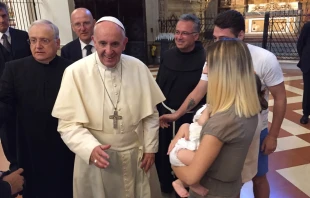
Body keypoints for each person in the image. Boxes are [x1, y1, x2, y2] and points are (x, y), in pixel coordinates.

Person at [160, 10, 287, 198]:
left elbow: (280, 98)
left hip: (251, 129)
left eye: (224, 39)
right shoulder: (217, 58)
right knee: (226, 176)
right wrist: (178, 115)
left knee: (256, 176)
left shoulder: (265, 59)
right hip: (229, 122)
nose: (218, 43)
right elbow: (200, 89)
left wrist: (273, 135)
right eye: (215, 38)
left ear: (240, 36)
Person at [52, 16, 165, 198]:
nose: (108, 51)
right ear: (94, 41)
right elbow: (67, 125)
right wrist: (89, 148)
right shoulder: (75, 72)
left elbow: (150, 114)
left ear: (125, 43)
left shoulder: (138, 68)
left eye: (115, 44)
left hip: (137, 158)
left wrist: (150, 148)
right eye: (102, 43)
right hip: (97, 159)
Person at [170, 40, 261, 198]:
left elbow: (192, 176)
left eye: (209, 64)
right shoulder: (248, 109)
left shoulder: (222, 121)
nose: (205, 69)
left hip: (211, 191)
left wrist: (174, 158)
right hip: (231, 187)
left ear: (223, 72)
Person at [0, 19, 75, 198]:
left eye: (44, 40)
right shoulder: (13, 69)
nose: (38, 46)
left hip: (63, 148)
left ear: (57, 43)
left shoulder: (71, 69)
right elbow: (4, 104)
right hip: (29, 149)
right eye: (33, 40)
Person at [155, 13, 206, 194]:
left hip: (191, 122)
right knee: (164, 153)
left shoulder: (205, 59)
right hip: (166, 117)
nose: (179, 37)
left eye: (184, 33)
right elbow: (159, 85)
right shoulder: (168, 55)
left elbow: (203, 93)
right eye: (177, 32)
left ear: (196, 36)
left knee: (187, 158)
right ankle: (166, 186)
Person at [0, 2, 31, 171]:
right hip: (2, 99)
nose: (1, 20)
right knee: (7, 133)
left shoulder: (22, 36)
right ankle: (14, 166)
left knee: (27, 129)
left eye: (4, 16)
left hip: (25, 94)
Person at [297, 20, 310, 124]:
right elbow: (300, 44)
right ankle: (306, 114)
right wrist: (304, 58)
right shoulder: (308, 26)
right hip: (309, 64)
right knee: (308, 89)